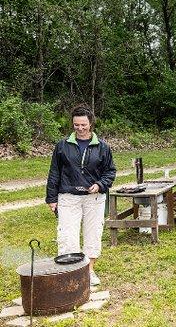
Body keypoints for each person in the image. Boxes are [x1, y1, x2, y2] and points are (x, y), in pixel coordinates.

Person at [46, 104, 116, 287]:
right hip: (68, 197)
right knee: (68, 236)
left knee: (93, 233)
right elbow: (54, 172)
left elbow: (110, 172)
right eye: (76, 125)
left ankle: (89, 271)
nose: (80, 128)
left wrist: (100, 184)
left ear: (91, 123)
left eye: (83, 124)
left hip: (94, 198)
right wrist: (52, 198)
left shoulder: (103, 147)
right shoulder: (62, 146)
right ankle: (71, 273)